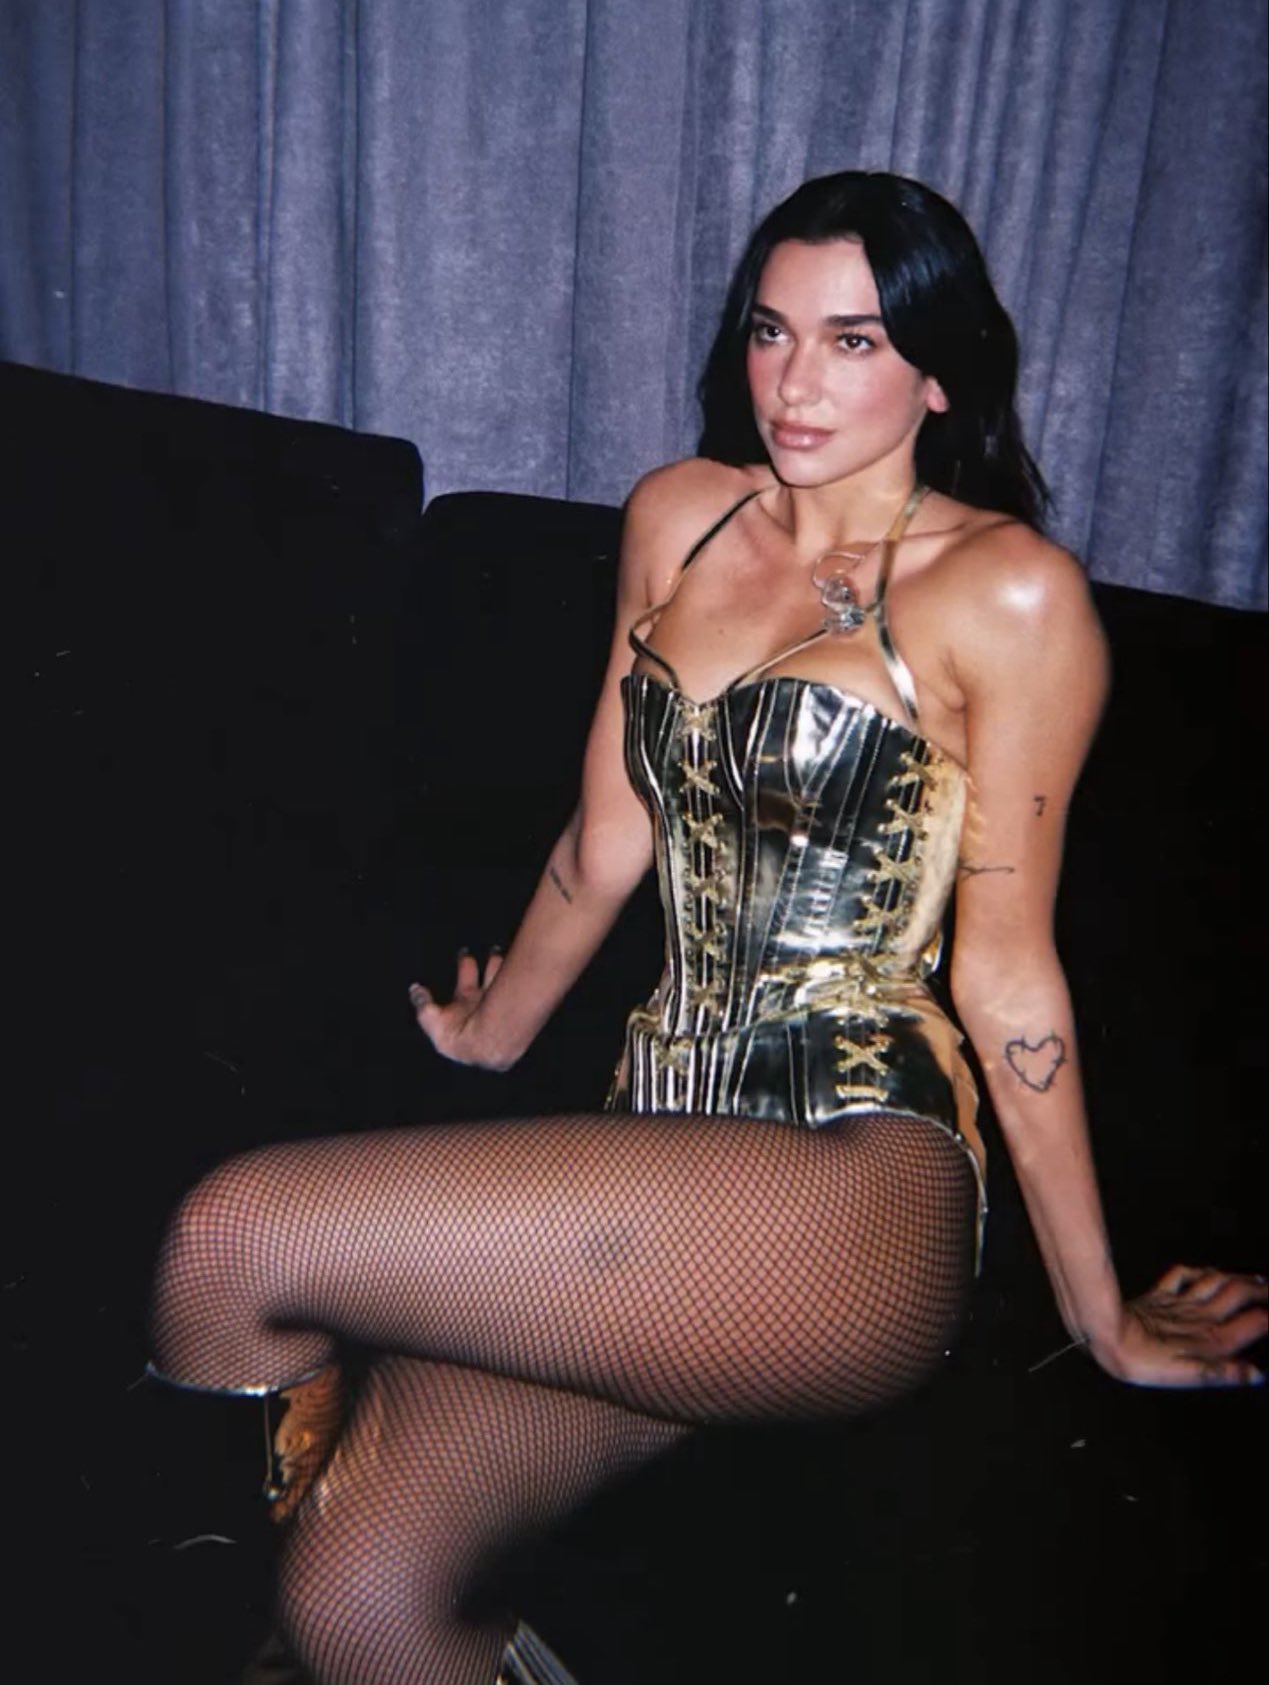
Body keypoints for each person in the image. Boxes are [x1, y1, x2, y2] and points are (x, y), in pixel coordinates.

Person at [149, 171, 1267, 1685]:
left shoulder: (1008, 594)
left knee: (233, 1232)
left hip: (856, 1184)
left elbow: (1010, 973)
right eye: (770, 330)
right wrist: (490, 1033)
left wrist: (1103, 1317)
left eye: (854, 342)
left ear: (941, 374)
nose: (795, 382)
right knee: (360, 1603)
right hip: (667, 1140)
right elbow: (605, 835)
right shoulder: (680, 516)